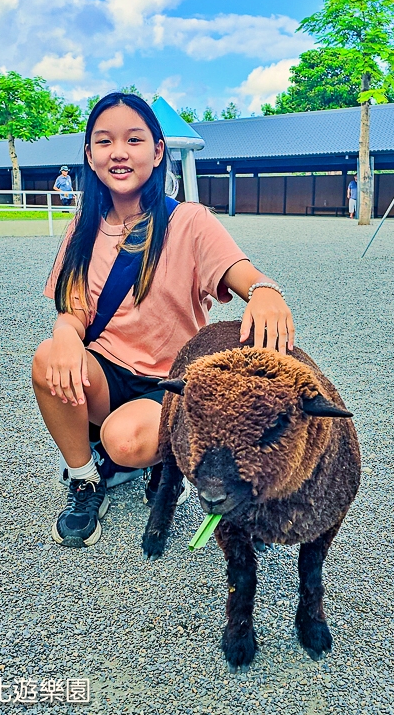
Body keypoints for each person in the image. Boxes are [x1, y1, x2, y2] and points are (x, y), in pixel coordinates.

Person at [32, 92, 295, 548]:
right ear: (91, 156)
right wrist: (64, 336)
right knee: (46, 358)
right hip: (106, 371)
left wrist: (265, 290)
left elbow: (242, 274)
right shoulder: (82, 227)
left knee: (126, 441)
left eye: (134, 140)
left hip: (172, 381)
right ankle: (85, 479)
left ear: (157, 152)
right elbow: (72, 312)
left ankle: (152, 455)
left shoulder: (190, 222)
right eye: (104, 141)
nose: (119, 152)